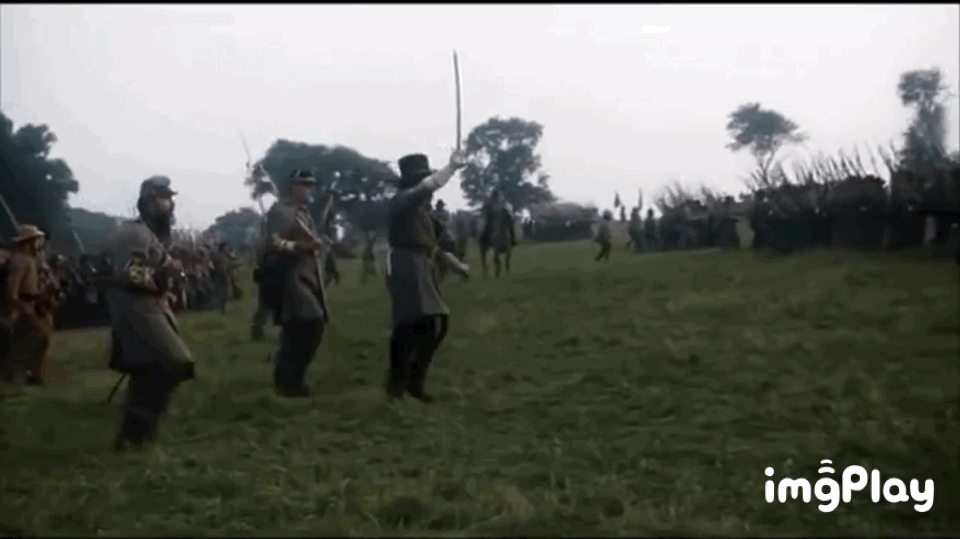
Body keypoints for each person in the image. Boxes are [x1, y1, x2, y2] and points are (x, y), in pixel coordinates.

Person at [105, 176, 194, 451]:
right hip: (136, 308)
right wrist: (162, 273)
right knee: (173, 362)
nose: (168, 204)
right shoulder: (135, 234)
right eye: (162, 199)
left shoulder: (151, 235)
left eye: (169, 199)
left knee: (149, 369)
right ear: (147, 202)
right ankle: (136, 433)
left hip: (151, 306)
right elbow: (126, 273)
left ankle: (137, 436)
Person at [384, 149, 467, 402]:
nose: (429, 189)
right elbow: (425, 188)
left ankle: (412, 382)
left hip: (422, 265)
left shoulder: (423, 211)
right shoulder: (403, 201)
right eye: (422, 180)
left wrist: (454, 264)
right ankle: (398, 385)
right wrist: (451, 168)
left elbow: (432, 245)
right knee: (409, 326)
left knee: (433, 326)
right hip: (405, 265)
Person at [255, 169, 330, 397]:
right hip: (288, 275)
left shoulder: (303, 212)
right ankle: (288, 381)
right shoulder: (279, 211)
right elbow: (275, 242)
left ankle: (290, 381)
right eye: (302, 185)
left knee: (299, 329)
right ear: (291, 187)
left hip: (307, 274)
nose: (307, 189)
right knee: (309, 324)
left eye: (309, 185)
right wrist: (299, 247)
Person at [0, 224, 52, 385]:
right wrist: (19, 309)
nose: (38, 243)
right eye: (36, 240)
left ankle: (31, 374)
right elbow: (12, 289)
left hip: (30, 303)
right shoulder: (20, 260)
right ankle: (22, 375)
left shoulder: (27, 259)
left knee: (38, 339)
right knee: (37, 338)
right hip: (22, 305)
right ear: (29, 242)